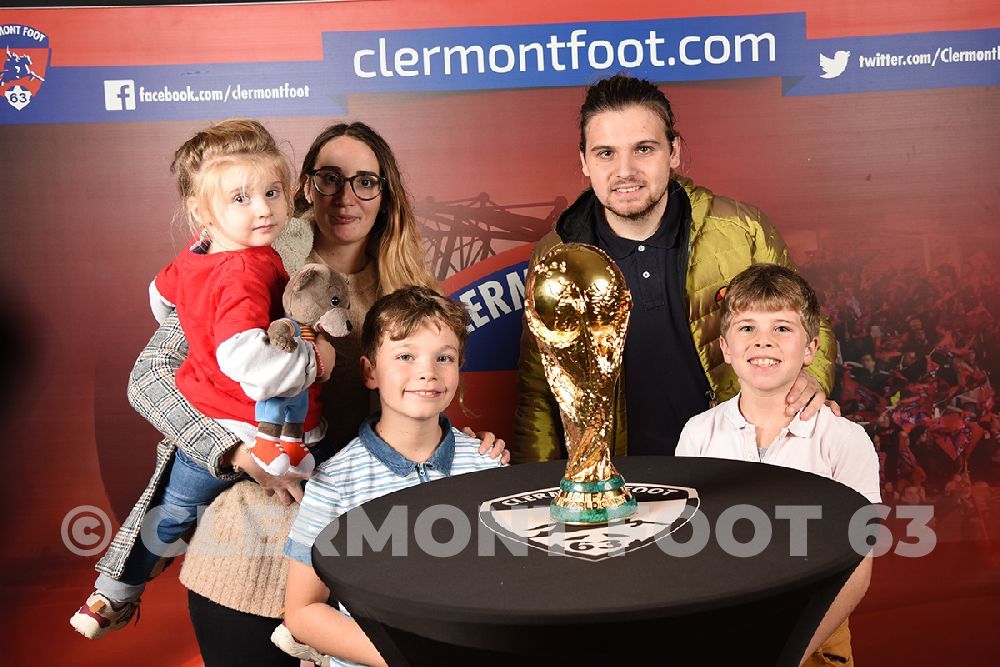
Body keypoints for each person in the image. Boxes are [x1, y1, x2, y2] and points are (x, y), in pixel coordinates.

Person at [104, 121, 506, 666]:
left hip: (360, 562)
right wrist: (237, 453)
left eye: (366, 181)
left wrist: (465, 450)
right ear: (304, 188)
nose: (346, 197)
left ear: (386, 195)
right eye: (328, 179)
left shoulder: (406, 288)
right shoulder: (248, 262)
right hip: (248, 551)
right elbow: (149, 378)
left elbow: (416, 407)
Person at [71, 118, 328, 640]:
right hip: (248, 432)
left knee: (172, 510)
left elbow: (162, 293)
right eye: (241, 198)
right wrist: (313, 363)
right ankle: (304, 627)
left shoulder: (200, 254)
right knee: (306, 507)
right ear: (204, 212)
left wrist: (192, 312)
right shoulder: (248, 267)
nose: (263, 208)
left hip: (240, 424)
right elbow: (229, 358)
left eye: (272, 193)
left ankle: (115, 591)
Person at [512, 74, 837, 462]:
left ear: (674, 152)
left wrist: (813, 376)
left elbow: (810, 325)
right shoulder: (557, 255)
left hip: (738, 469)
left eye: (644, 149)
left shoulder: (742, 230)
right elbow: (540, 390)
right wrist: (545, 491)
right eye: (606, 153)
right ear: (584, 161)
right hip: (620, 485)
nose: (625, 170)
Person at [279, 286, 506, 666]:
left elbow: (511, 582)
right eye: (405, 356)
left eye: (444, 357)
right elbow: (302, 610)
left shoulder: (489, 466)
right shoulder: (335, 483)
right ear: (370, 372)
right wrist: (408, 656)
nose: (427, 373)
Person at [675, 263, 880, 666]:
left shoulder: (844, 440)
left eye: (782, 328)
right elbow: (691, 547)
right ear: (725, 348)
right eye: (747, 328)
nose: (763, 341)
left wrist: (789, 653)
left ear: (810, 348)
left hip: (817, 634)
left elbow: (858, 567)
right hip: (722, 627)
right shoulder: (697, 434)